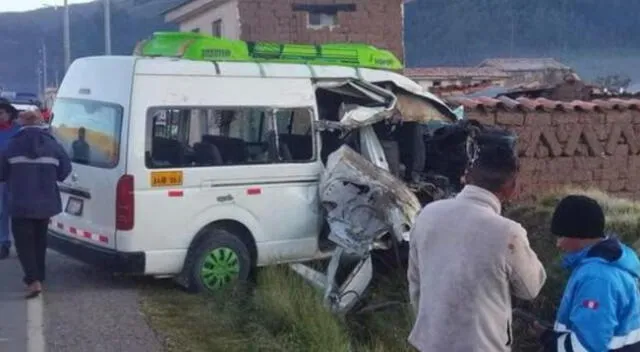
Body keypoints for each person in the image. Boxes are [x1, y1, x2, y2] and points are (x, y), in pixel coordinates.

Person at [406, 132, 547, 352]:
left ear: (466, 177)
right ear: (511, 188)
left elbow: (415, 282)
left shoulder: (427, 215)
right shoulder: (507, 232)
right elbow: (531, 288)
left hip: (430, 342)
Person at [532, 195, 640, 351]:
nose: (558, 244)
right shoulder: (605, 264)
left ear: (579, 235)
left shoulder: (597, 278)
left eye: (562, 236)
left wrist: (550, 341)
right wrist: (552, 335)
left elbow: (587, 346)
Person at [0, 110, 72, 298]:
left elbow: (1, 172)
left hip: (20, 202)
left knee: (24, 244)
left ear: (21, 123)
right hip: (46, 202)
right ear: (41, 122)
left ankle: (33, 281)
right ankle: (39, 276)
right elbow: (65, 170)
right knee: (40, 241)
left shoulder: (12, 145)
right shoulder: (53, 144)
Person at [0, 98, 20, 260]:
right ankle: (4, 243)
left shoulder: (18, 132)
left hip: (15, 179)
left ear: (9, 114)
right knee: (1, 212)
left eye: (1, 113)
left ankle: (22, 244)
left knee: (18, 212)